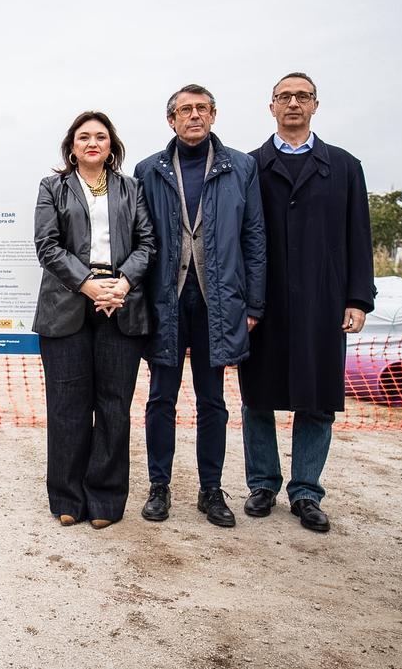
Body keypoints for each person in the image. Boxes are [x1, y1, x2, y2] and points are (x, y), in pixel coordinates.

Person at [239, 72, 374, 533]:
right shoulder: (248, 166)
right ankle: (262, 484)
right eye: (284, 97)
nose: (293, 103)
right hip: (264, 302)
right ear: (271, 106)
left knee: (316, 400)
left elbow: (359, 234)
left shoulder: (344, 166)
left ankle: (306, 491)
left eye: (302, 96)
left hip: (323, 299)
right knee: (257, 396)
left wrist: (358, 297)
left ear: (316, 105)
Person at [134, 84, 266, 527]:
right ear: (170, 120)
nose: (194, 115)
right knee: (160, 399)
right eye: (184, 110)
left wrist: (254, 305)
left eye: (201, 109)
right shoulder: (149, 170)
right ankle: (159, 486)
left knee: (213, 401)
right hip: (166, 301)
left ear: (214, 115)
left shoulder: (241, 167)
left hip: (219, 302)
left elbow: (254, 238)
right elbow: (140, 240)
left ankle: (211, 490)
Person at [33, 111, 156, 529]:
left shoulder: (132, 189)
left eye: (100, 137)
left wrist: (121, 284)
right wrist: (87, 285)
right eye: (84, 137)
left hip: (121, 303)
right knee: (67, 407)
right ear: (72, 147)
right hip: (68, 302)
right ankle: (68, 498)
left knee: (113, 407)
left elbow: (147, 244)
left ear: (111, 146)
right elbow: (47, 246)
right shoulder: (53, 188)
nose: (92, 143)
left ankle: (105, 500)